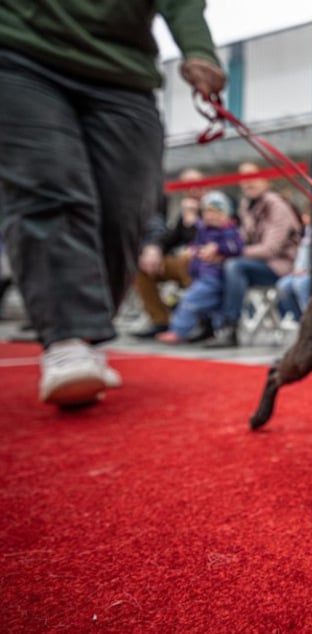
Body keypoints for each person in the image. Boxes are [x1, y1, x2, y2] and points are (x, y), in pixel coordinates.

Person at [0, 2, 225, 406]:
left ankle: (85, 333)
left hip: (124, 73)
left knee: (128, 208)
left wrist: (199, 49)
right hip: (20, 51)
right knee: (50, 189)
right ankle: (68, 341)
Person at [204, 162, 302, 348]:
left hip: (280, 266)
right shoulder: (247, 206)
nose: (247, 182)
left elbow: (269, 249)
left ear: (266, 179)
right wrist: (218, 251)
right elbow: (240, 241)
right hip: (257, 264)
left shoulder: (277, 206)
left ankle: (229, 327)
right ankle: (207, 324)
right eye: (243, 178)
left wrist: (225, 252)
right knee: (212, 265)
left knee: (234, 266)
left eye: (253, 177)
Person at [156, 192, 243, 344]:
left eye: (218, 212)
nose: (212, 216)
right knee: (211, 307)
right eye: (208, 212)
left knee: (190, 301)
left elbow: (236, 248)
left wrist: (217, 248)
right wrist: (193, 250)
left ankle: (178, 331)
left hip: (213, 276)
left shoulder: (229, 231)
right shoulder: (203, 230)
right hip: (199, 274)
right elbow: (196, 245)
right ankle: (213, 331)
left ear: (227, 215)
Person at [132, 168, 206, 339]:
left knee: (187, 262)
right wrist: (153, 249)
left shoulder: (216, 206)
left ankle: (198, 321)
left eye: (197, 184)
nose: (193, 190)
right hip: (184, 263)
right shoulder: (183, 212)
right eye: (187, 185)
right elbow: (170, 238)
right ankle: (160, 321)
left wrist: (191, 219)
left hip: (207, 264)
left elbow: (208, 238)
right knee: (143, 267)